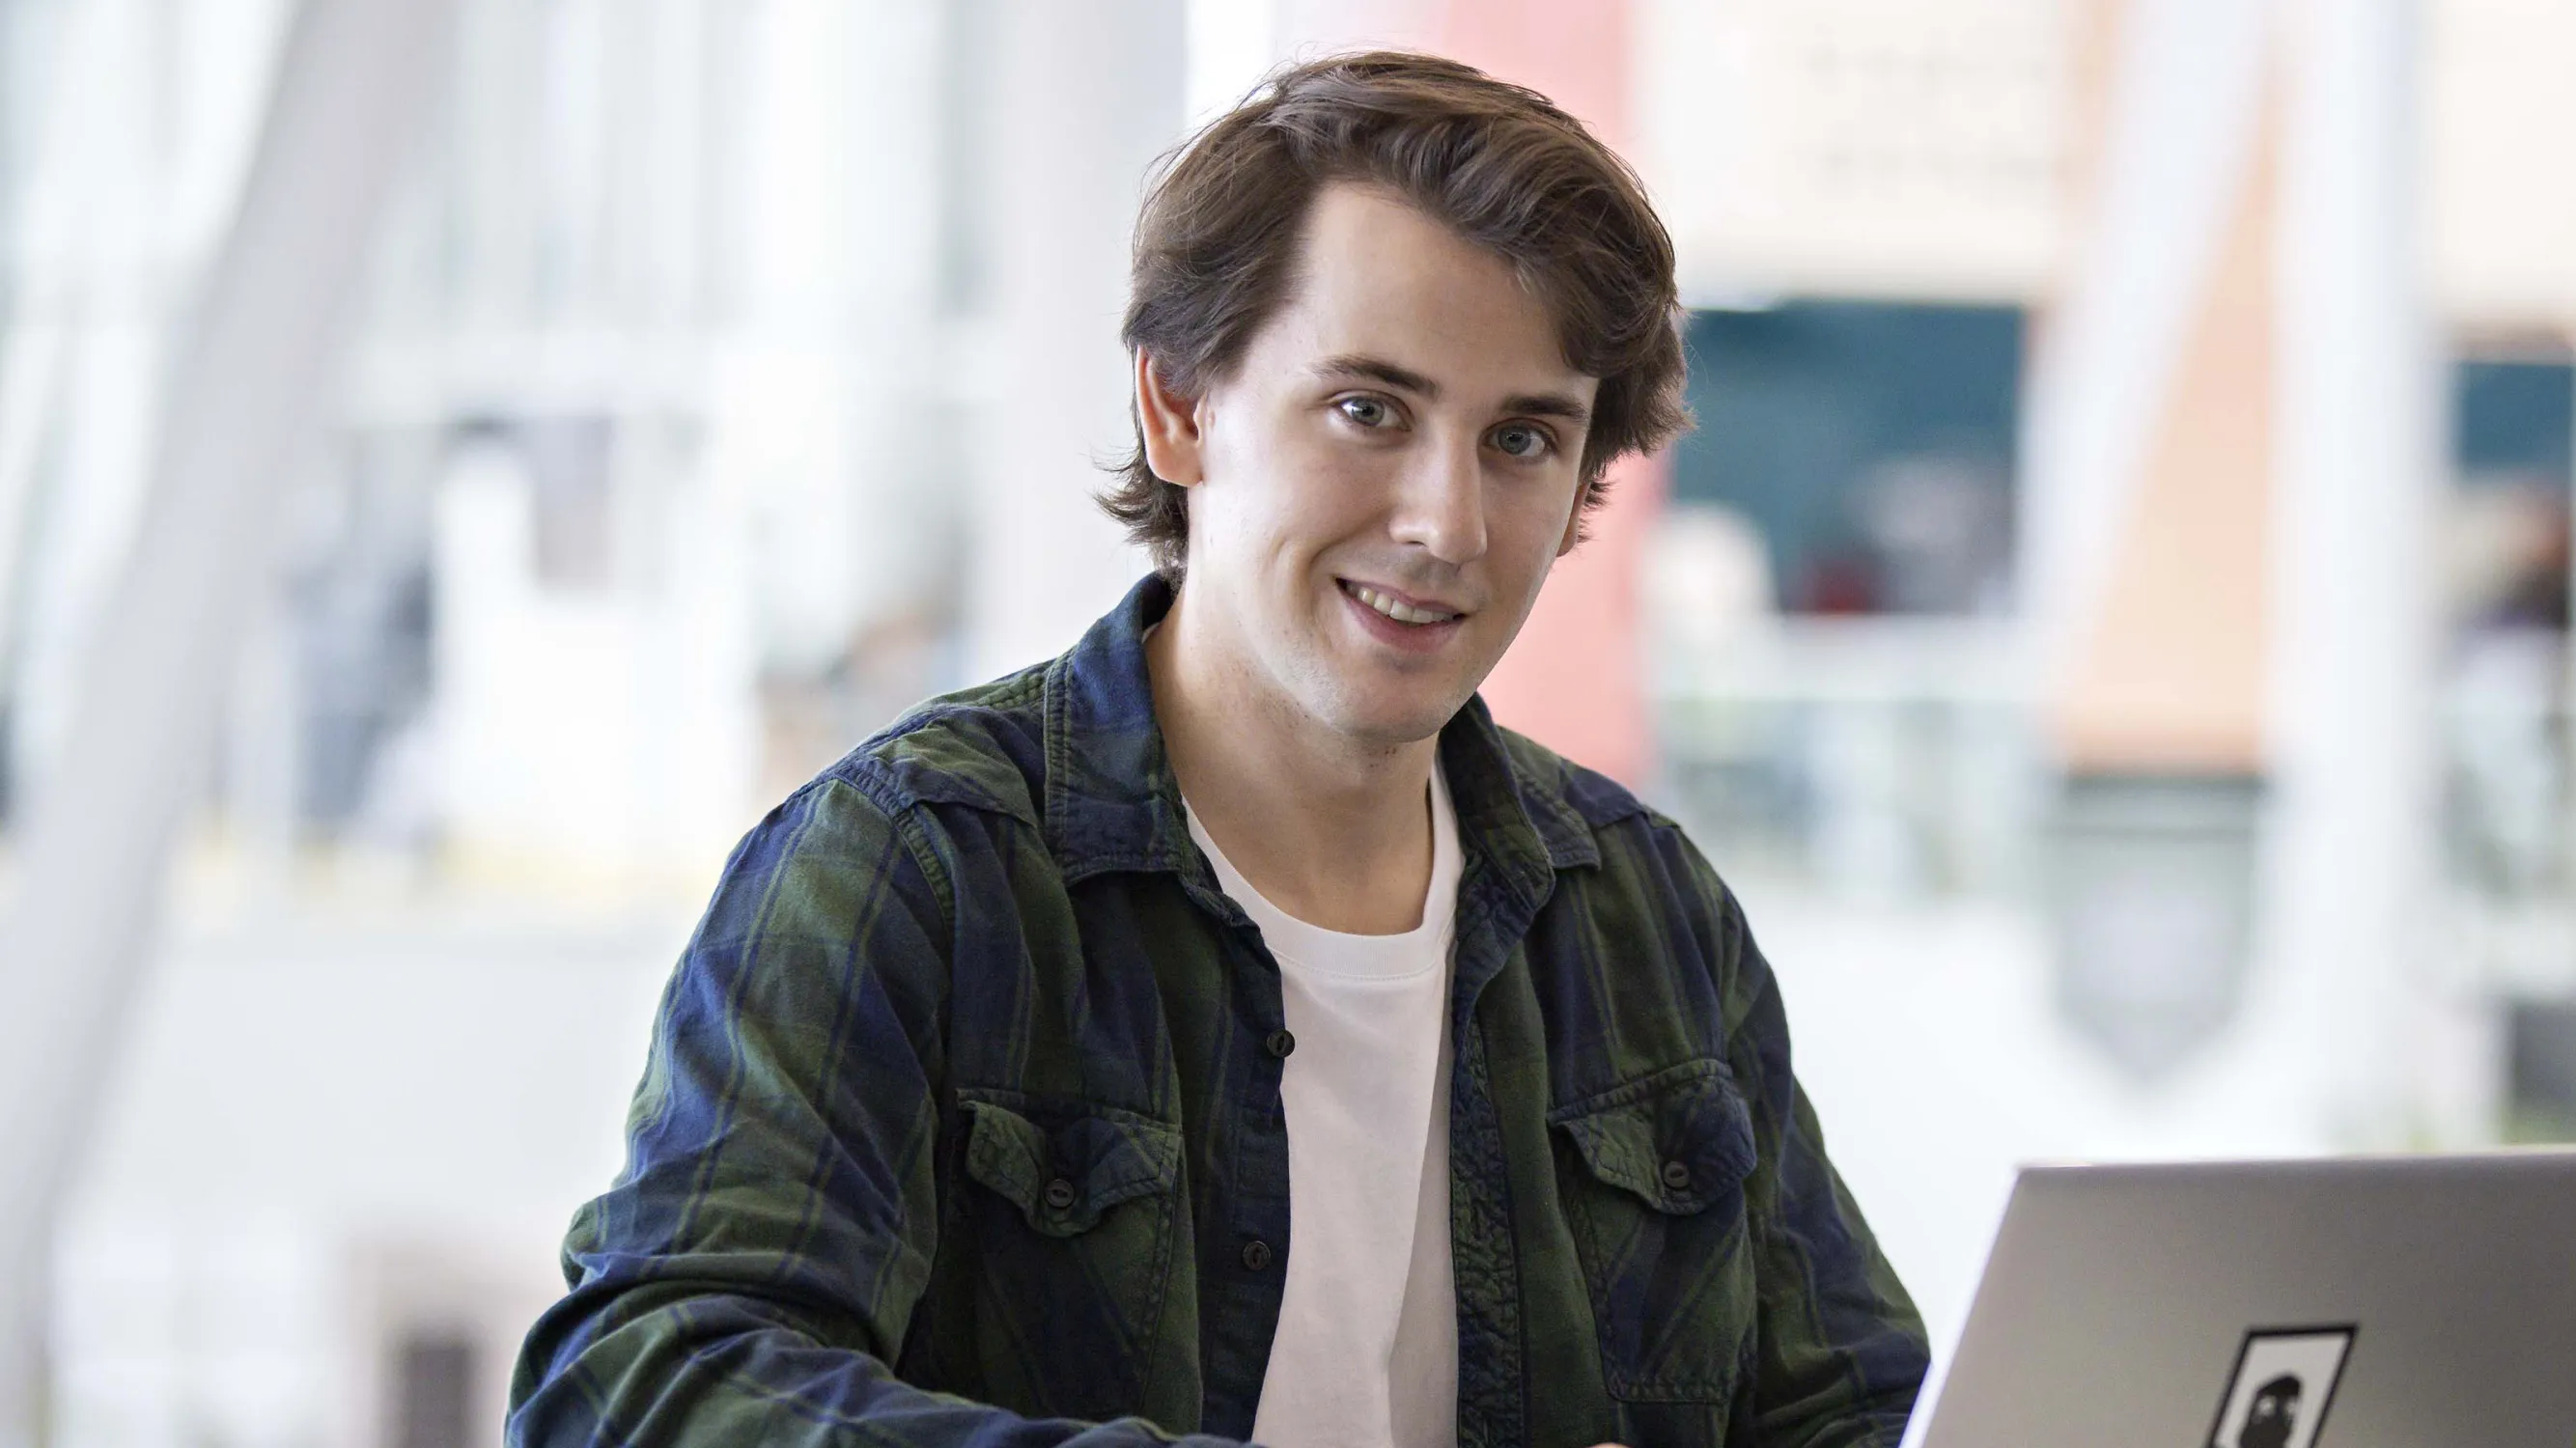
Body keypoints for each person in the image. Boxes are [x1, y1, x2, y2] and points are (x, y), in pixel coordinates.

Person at [507, 50, 1926, 1448]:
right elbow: (646, 1391)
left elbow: (1855, 1411)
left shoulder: (1646, 917)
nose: (1446, 522)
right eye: (1370, 411)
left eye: (1521, 440)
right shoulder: (916, 869)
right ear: (1179, 408)